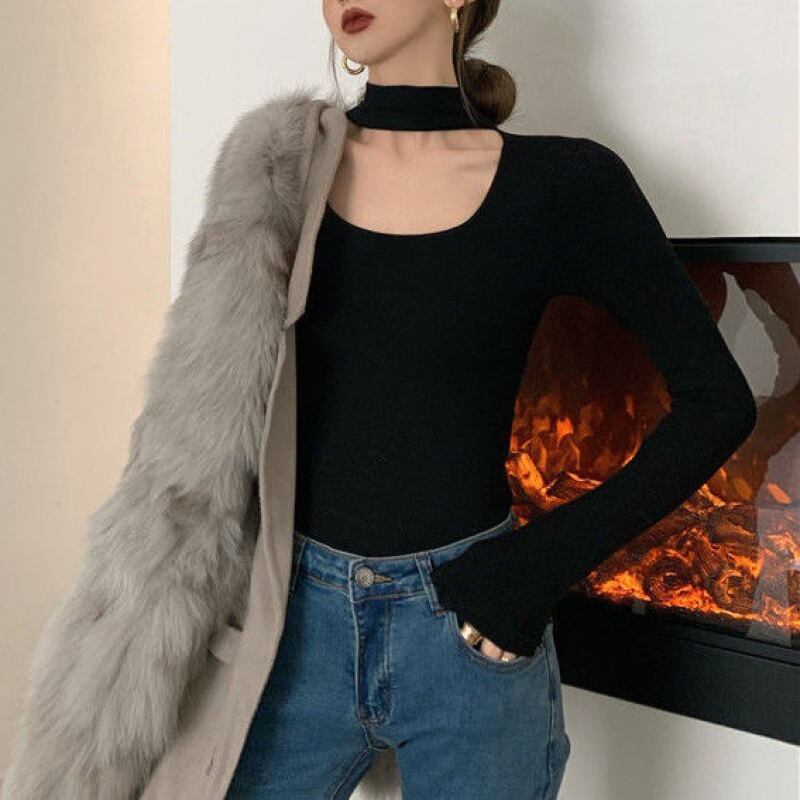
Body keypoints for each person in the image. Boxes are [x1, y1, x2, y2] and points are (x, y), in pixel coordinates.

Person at [2, 2, 757, 799]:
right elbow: (200, 417)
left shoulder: (565, 183)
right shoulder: (279, 173)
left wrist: (531, 573)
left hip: (467, 640)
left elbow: (719, 401)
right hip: (290, 627)